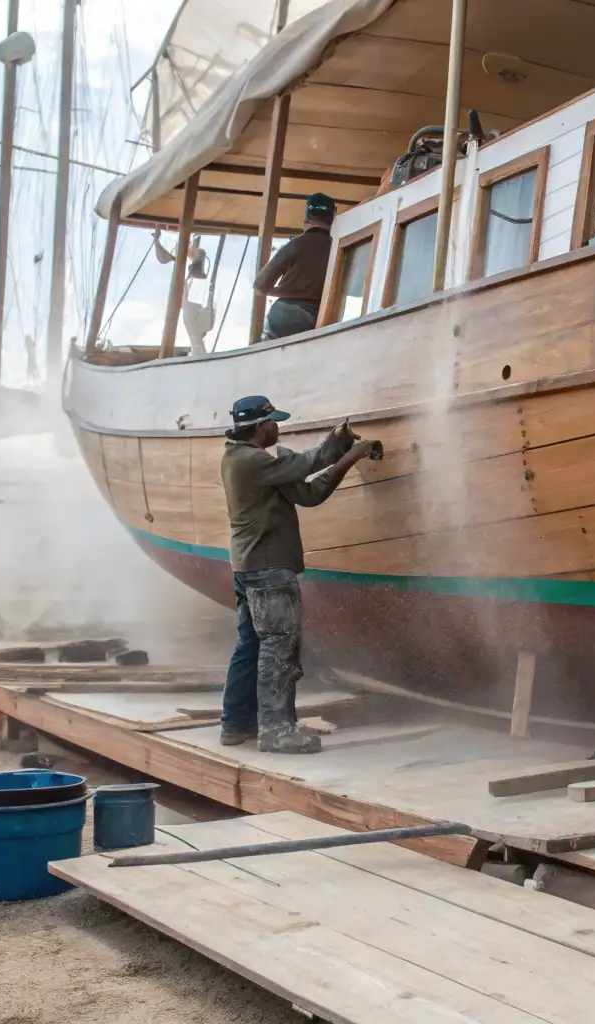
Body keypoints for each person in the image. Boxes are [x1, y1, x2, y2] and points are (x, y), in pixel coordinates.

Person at [219, 394, 378, 753]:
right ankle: (277, 732)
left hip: (248, 567)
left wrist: (339, 446)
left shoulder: (239, 458)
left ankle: (236, 724)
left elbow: (309, 494)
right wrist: (350, 453)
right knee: (279, 647)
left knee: (250, 645)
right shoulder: (254, 461)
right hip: (268, 570)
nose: (277, 427)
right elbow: (306, 465)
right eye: (273, 421)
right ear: (260, 426)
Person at [253, 192, 337, 341]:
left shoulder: (296, 244)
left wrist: (284, 291)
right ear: (334, 214)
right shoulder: (337, 249)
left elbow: (260, 286)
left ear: (306, 218)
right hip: (318, 319)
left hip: (284, 316)